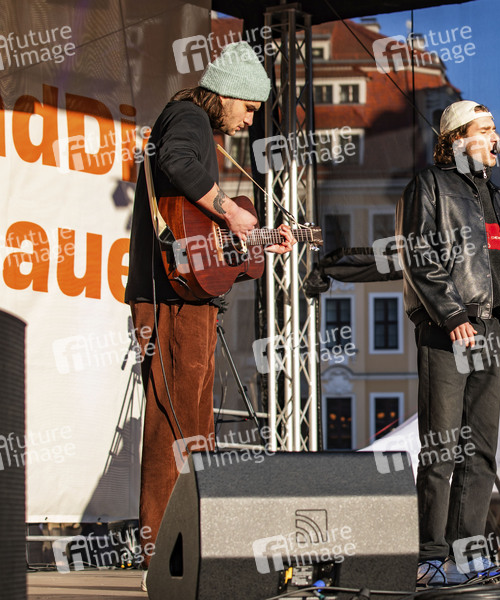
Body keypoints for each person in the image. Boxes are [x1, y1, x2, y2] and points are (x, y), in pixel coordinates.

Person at [124, 41, 295, 576]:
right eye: (248, 107)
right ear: (225, 94)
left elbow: (207, 238)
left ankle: (189, 550)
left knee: (193, 427)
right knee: (174, 424)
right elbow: (175, 162)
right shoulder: (189, 117)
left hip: (187, 298)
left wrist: (259, 239)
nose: (249, 120)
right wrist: (229, 209)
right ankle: (163, 558)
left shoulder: (199, 124)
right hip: (170, 298)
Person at [397, 100, 500, 583]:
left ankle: (468, 553)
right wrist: (451, 314)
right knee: (441, 447)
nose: (496, 136)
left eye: (495, 127)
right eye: (486, 128)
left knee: (480, 449)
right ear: (457, 139)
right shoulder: (430, 184)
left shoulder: (496, 196)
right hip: (449, 331)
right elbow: (419, 254)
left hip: (493, 332)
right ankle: (430, 557)